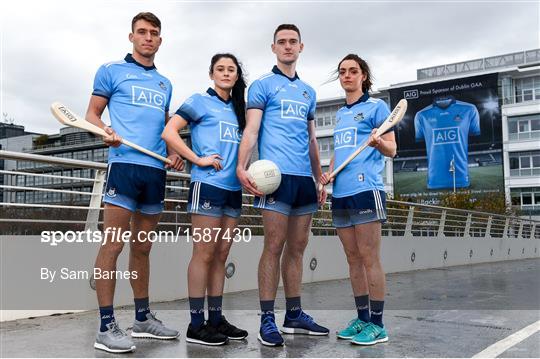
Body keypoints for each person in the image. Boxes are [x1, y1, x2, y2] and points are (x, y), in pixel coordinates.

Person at [86, 12, 184, 353]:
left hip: (155, 171)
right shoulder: (111, 71)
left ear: (160, 40)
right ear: (131, 37)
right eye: (141, 32)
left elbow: (164, 128)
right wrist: (105, 132)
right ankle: (105, 325)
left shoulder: (165, 83)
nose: (147, 37)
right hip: (124, 166)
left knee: (142, 247)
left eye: (154, 33)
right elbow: (92, 115)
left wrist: (175, 152)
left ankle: (142, 318)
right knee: (113, 245)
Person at [236, 24, 329, 347]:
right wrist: (240, 166)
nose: (288, 47)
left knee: (298, 248)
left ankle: (294, 315)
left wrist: (319, 177)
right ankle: (266, 319)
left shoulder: (308, 92)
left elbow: (312, 139)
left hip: (304, 181)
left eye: (293, 42)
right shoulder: (262, 85)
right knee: (273, 247)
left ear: (301, 47)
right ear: (273, 48)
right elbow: (251, 131)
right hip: (274, 178)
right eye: (282, 42)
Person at [162, 53, 249, 346]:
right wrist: (196, 159)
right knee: (204, 253)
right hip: (207, 186)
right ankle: (196, 324)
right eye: (220, 69)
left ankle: (215, 319)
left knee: (222, 254)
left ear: (237, 76)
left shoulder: (240, 110)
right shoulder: (200, 101)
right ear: (212, 74)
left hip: (233, 189)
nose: (226, 73)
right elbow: (169, 132)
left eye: (231, 70)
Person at [320, 54, 396, 346]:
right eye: (342, 72)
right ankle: (362, 318)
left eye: (353, 71)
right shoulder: (340, 114)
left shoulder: (377, 107)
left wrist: (379, 141)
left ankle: (378, 325)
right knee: (352, 259)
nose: (347, 76)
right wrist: (329, 173)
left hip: (367, 190)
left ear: (363, 75)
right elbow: (341, 151)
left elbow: (392, 150)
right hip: (341, 193)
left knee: (369, 258)